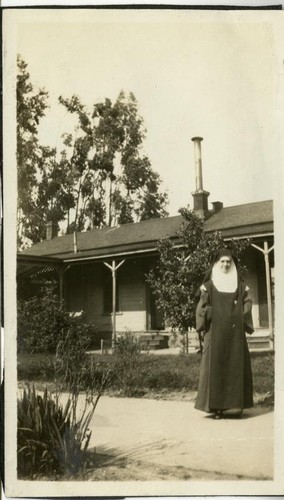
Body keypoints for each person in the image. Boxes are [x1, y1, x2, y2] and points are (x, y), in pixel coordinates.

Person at [194, 248, 254, 419]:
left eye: (229, 261)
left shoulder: (241, 287)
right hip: (214, 333)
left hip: (235, 335)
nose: (226, 264)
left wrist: (239, 315)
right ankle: (215, 408)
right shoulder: (208, 287)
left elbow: (248, 303)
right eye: (222, 261)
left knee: (235, 366)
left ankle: (234, 407)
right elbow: (201, 308)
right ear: (216, 263)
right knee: (215, 367)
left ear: (232, 263)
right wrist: (212, 314)